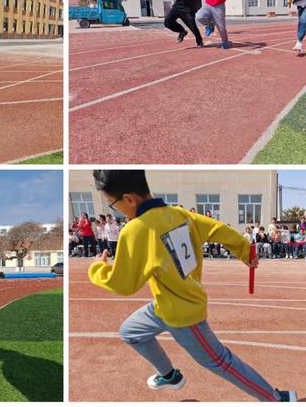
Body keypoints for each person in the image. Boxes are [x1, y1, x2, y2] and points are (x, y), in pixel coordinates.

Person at [88, 170, 296, 402]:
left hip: (184, 313)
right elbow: (219, 229)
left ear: (129, 199)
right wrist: (245, 251)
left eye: (112, 204)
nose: (115, 210)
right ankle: (169, 375)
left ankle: (276, 399)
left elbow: (123, 284)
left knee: (221, 362)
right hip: (162, 307)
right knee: (130, 332)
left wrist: (98, 268)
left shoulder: (136, 229)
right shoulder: (180, 214)